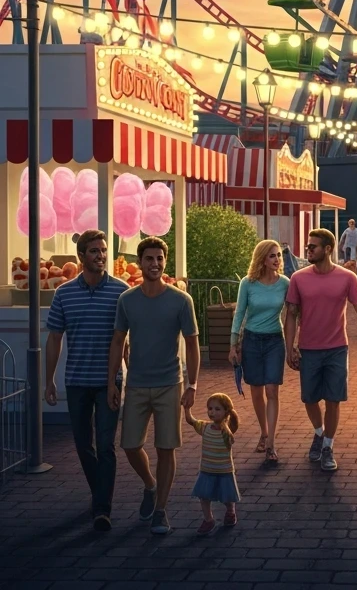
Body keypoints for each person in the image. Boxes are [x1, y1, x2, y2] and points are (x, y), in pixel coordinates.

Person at [108, 236, 200, 537]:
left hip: (169, 384)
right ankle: (150, 485)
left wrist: (193, 384)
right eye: (149, 258)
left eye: (160, 258)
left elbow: (192, 343)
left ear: (165, 261)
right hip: (136, 384)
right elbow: (118, 340)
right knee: (130, 445)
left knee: (166, 447)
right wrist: (112, 382)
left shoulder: (180, 300)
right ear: (140, 262)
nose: (155, 264)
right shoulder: (127, 300)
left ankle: (161, 510)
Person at [44, 228, 128, 532]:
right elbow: (55, 338)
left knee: (106, 445)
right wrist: (48, 380)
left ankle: (102, 509)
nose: (101, 255)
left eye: (103, 250)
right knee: (83, 445)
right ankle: (99, 493)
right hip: (76, 381)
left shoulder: (120, 291)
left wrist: (127, 381)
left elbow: (125, 341)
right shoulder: (63, 293)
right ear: (81, 256)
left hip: (108, 382)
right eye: (94, 251)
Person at [285, 227, 357, 473]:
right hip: (308, 348)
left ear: (327, 249)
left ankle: (327, 445)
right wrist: (289, 347)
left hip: (337, 348)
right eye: (307, 246)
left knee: (333, 400)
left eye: (312, 246)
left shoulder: (347, 278)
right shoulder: (298, 278)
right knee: (310, 398)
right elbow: (291, 315)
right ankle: (318, 432)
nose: (308, 250)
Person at [228, 239, 289, 464]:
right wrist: (233, 345)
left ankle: (271, 443)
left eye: (279, 256)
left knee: (272, 390)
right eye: (272, 256)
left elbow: (294, 313)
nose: (277, 260)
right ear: (262, 259)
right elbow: (239, 313)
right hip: (251, 341)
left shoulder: (285, 283)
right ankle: (263, 431)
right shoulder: (248, 283)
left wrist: (294, 342)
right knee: (256, 391)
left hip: (275, 341)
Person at [184, 391, 241, 536]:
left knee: (226, 497)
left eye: (217, 409)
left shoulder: (227, 432)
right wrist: (187, 409)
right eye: (210, 408)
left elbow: (230, 435)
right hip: (207, 470)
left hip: (224, 471)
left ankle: (230, 511)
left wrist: (225, 425)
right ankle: (208, 519)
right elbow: (191, 421)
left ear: (226, 412)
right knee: (204, 497)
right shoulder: (205, 427)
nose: (212, 412)